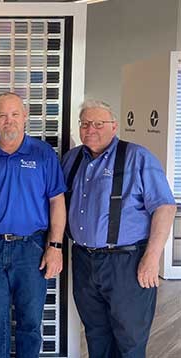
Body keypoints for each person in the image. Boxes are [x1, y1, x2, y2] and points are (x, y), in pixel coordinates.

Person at [62, 100, 176, 358]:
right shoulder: (72, 160)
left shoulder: (137, 157)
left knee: (130, 339)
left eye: (99, 123)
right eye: (85, 123)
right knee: (96, 334)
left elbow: (165, 208)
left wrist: (152, 258)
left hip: (127, 262)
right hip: (83, 260)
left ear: (114, 127)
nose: (91, 128)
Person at [0, 92, 66, 358]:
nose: (9, 121)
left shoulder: (43, 154)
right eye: (3, 115)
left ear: (25, 117)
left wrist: (55, 246)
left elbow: (57, 202)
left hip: (32, 249)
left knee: (30, 321)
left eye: (14, 114)